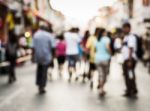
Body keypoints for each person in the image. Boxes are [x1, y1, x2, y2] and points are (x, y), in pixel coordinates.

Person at [32, 24, 56, 94]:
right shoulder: (49, 35)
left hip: (38, 56)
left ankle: (39, 85)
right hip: (46, 56)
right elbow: (53, 47)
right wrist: (53, 56)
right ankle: (42, 86)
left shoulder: (36, 35)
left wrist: (32, 57)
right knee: (44, 71)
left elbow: (33, 47)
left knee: (39, 70)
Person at [121, 23, 138, 97]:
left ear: (129, 28)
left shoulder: (131, 37)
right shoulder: (126, 37)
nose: (124, 30)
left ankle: (130, 90)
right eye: (123, 28)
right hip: (127, 59)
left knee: (128, 75)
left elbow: (131, 48)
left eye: (125, 28)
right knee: (130, 74)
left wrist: (130, 60)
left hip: (129, 59)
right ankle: (133, 88)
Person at [95, 28, 112, 96]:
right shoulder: (106, 39)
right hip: (105, 59)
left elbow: (96, 49)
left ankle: (101, 88)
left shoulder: (97, 40)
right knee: (105, 75)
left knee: (100, 74)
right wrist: (111, 53)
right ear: (103, 33)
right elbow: (107, 48)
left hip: (98, 59)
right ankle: (102, 88)